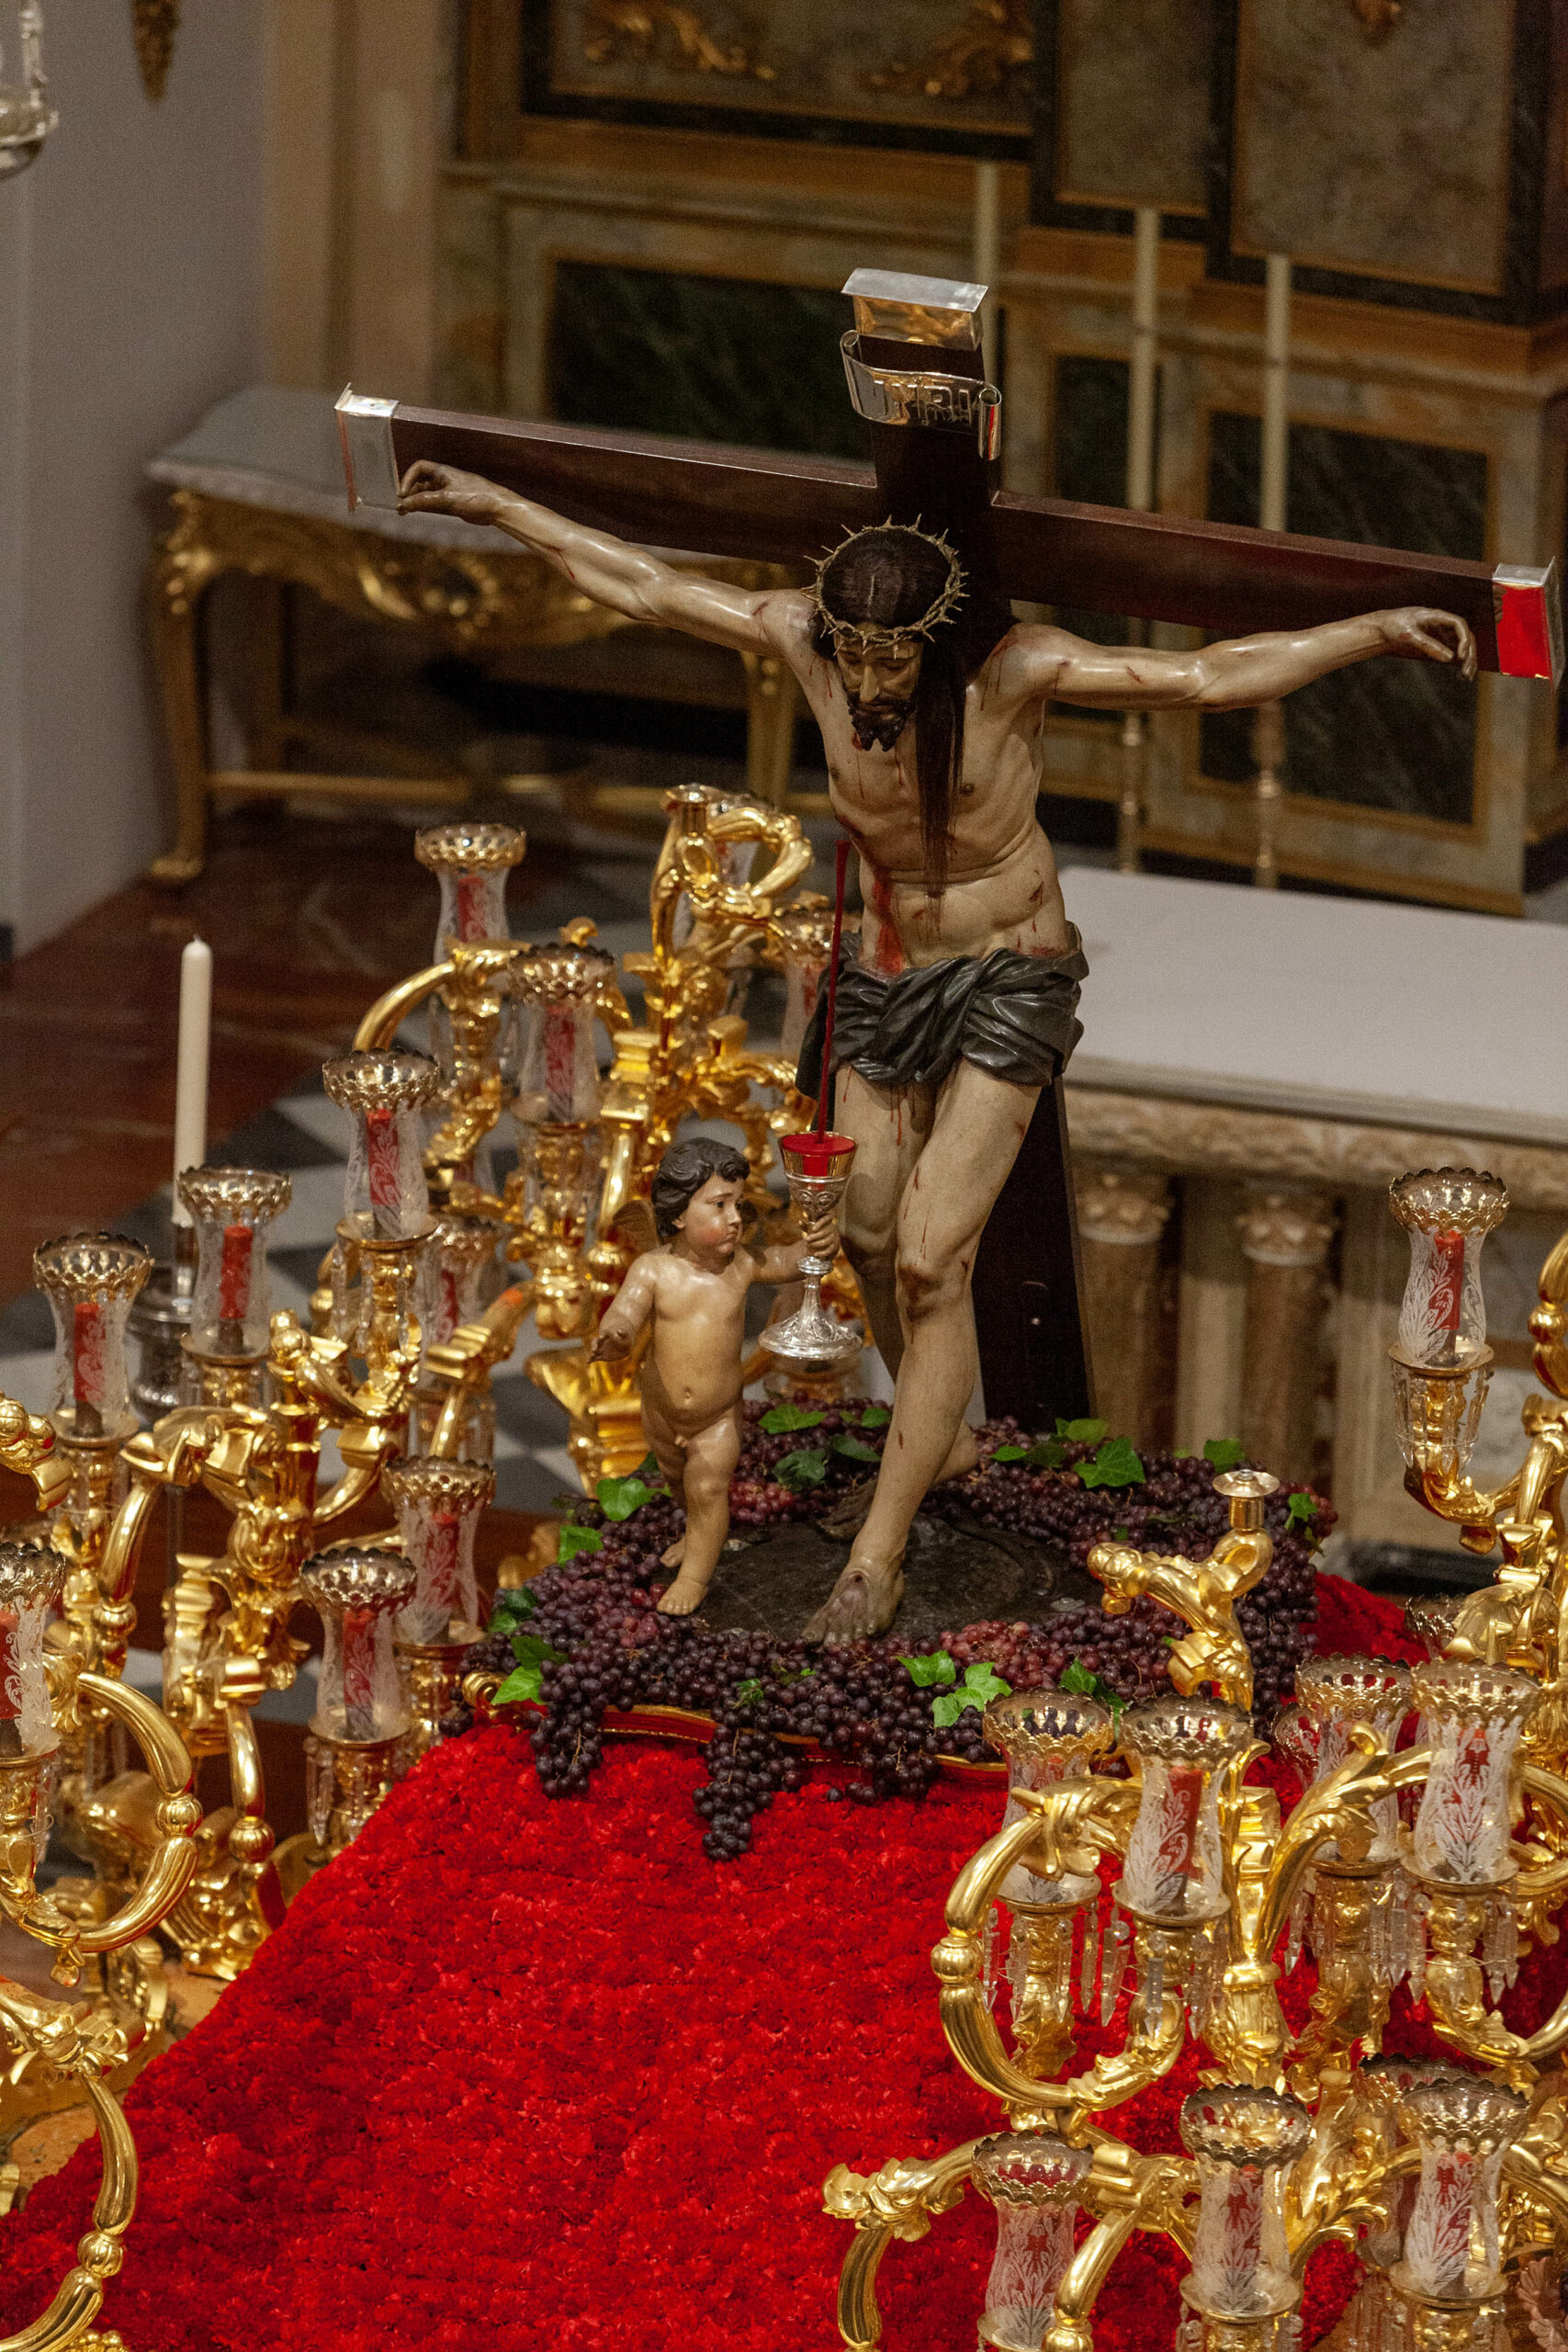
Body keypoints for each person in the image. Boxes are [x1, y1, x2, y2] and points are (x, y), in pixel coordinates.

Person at [400, 459, 1477, 1642]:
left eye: (893, 659)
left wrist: (1375, 631)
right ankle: (943, 1434)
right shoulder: (810, 646)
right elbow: (648, 586)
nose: (869, 681)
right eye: (855, 656)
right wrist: (499, 505)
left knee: (927, 1259)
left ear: (937, 638)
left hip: (1010, 975)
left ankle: (879, 1551)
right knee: (862, 1235)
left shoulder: (1015, 675)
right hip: (885, 975)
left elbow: (1206, 676)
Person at [590, 1137, 838, 1616]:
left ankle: (695, 1576)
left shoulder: (740, 1265)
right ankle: (695, 1534)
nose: (735, 1217)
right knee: (678, 1482)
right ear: (679, 1214)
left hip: (716, 1418)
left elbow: (787, 1262)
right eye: (719, 1205)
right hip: (660, 1414)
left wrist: (817, 1245)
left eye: (738, 1205)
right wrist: (616, 1336)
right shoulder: (654, 1269)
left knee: (706, 1489)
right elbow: (625, 1312)